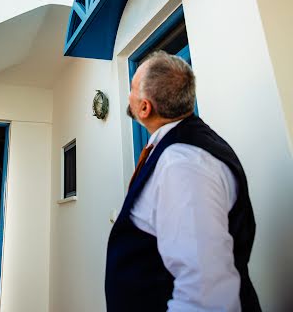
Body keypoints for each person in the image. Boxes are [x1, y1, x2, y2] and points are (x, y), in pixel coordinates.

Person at [105, 50, 261, 311]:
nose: (129, 95)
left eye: (132, 88)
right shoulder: (176, 148)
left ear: (145, 107)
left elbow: (206, 294)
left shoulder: (183, 163)